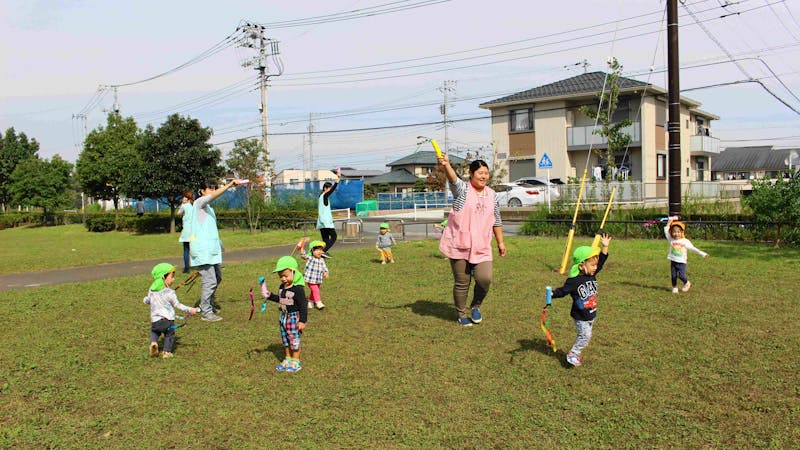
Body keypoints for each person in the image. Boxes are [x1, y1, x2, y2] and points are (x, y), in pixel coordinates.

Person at [437, 156, 506, 326]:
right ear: (471, 174)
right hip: (460, 244)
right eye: (480, 173)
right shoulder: (462, 191)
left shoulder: (492, 195)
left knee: (485, 279)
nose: (483, 176)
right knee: (462, 282)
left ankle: (476, 305)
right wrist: (446, 166)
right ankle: (461, 314)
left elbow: (496, 219)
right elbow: (453, 179)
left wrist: (500, 242)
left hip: (482, 245)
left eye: (486, 173)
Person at [551, 234, 612, 367]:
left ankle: (575, 353)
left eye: (595, 265)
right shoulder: (574, 281)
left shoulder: (592, 274)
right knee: (585, 337)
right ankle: (573, 353)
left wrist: (605, 246)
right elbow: (563, 291)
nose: (595, 267)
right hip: (580, 316)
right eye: (592, 265)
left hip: (591, 313)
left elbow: (601, 261)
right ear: (581, 266)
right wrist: (552, 294)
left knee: (586, 335)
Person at [190, 179, 245, 322]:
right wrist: (229, 185)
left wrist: (220, 243)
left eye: (215, 187)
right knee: (210, 281)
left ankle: (207, 303)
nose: (213, 190)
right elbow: (212, 197)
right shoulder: (198, 203)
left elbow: (209, 228)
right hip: (203, 252)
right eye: (210, 188)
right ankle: (206, 312)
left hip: (212, 250)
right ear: (201, 191)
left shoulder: (209, 209)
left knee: (218, 277)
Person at [261, 256, 308, 372]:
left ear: (294, 272)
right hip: (283, 317)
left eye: (285, 276)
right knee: (286, 340)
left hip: (294, 318)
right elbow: (281, 300)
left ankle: (296, 361)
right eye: (280, 276)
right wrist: (270, 295)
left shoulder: (298, 289)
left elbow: (303, 305)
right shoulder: (282, 287)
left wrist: (302, 321)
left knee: (294, 340)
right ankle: (287, 358)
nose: (283, 279)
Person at [143, 263, 198, 358]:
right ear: (163, 278)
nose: (174, 279)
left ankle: (153, 342)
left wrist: (145, 300)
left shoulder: (152, 290)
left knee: (155, 332)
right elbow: (177, 305)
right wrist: (190, 309)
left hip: (155, 320)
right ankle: (166, 352)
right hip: (168, 321)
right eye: (172, 276)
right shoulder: (170, 292)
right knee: (169, 335)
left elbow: (148, 300)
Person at [664, 217, 709, 294]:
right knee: (673, 276)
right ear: (671, 232)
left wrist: (703, 254)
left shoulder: (685, 241)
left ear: (682, 232)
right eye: (674, 232)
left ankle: (687, 283)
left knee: (681, 275)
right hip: (673, 261)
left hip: (682, 262)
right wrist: (669, 221)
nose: (676, 234)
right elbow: (666, 230)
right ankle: (674, 288)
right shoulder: (671, 239)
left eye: (678, 232)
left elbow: (693, 249)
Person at [317, 173, 341, 257]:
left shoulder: (321, 196)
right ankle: (322, 251)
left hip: (321, 221)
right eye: (329, 188)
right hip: (326, 222)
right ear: (325, 188)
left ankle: (323, 253)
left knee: (326, 240)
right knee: (334, 237)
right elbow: (332, 190)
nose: (330, 190)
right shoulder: (325, 195)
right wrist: (337, 181)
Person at [301, 240, 329, 310]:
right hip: (310, 279)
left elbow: (324, 267)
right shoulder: (310, 258)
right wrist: (302, 251)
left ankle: (310, 302)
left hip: (318, 279)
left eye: (320, 250)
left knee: (314, 291)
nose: (319, 252)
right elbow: (304, 256)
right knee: (316, 290)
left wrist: (325, 272)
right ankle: (318, 302)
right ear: (312, 251)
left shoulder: (322, 260)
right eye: (317, 250)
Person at [177, 190, 194, 274]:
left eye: (184, 197)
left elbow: (179, 213)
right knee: (194, 249)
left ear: (186, 198)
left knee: (186, 250)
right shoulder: (192, 206)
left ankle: (187, 268)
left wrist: (182, 204)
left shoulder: (185, 205)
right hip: (193, 232)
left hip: (186, 232)